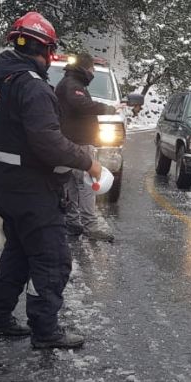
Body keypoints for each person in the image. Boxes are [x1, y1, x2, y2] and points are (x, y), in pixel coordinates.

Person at [0, 11, 102, 349]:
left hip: (7, 184)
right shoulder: (32, 86)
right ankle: (45, 330)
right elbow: (48, 142)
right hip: (33, 190)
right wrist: (87, 163)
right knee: (51, 260)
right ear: (45, 49)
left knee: (17, 254)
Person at [56, 52, 115, 242]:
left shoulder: (69, 82)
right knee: (87, 183)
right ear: (85, 68)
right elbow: (81, 104)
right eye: (92, 69)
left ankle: (73, 221)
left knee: (72, 183)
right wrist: (107, 109)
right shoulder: (73, 85)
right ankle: (90, 224)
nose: (93, 73)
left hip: (70, 141)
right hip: (78, 143)